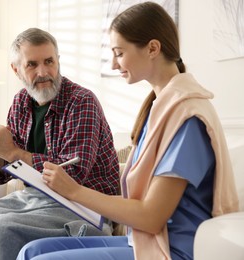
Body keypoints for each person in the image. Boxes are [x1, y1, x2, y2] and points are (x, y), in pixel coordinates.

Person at [16, 2, 239, 260]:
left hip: (171, 249)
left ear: (153, 48)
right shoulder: (160, 109)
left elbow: (152, 217)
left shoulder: (188, 117)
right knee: (30, 251)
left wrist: (74, 191)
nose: (113, 64)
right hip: (142, 240)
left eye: (119, 53)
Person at [0, 28, 120, 260]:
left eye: (49, 61)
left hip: (83, 208)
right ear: (16, 70)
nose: (43, 72)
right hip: (32, 201)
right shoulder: (20, 102)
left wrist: (12, 151)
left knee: (0, 229)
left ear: (58, 61)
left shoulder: (82, 101)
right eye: (32, 64)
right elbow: (1, 176)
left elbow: (73, 176)